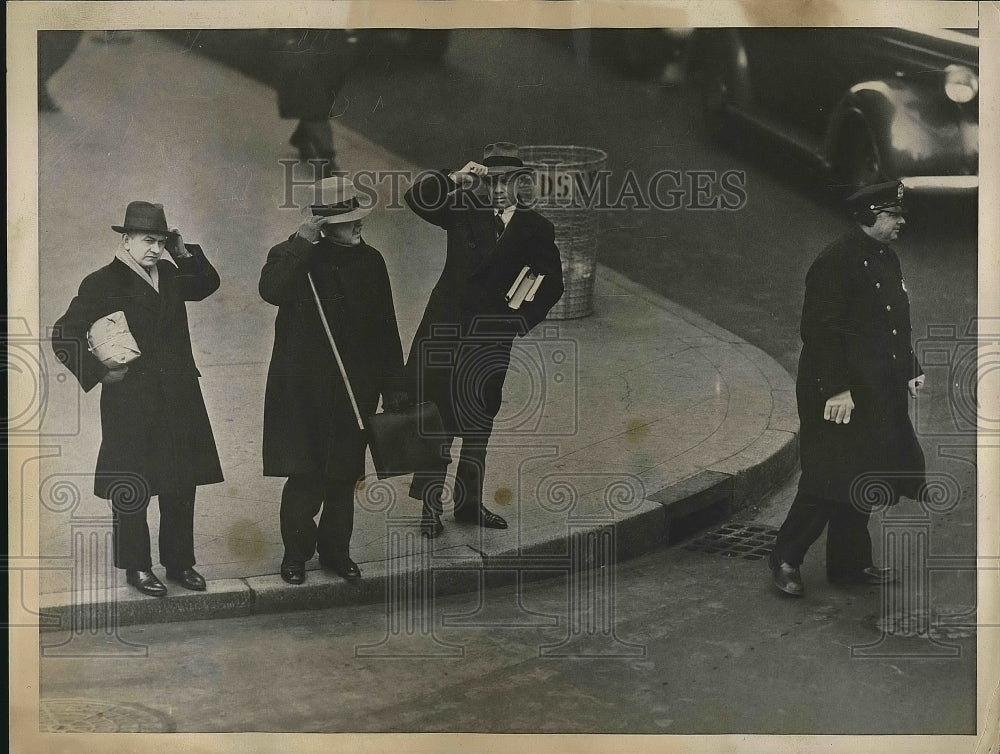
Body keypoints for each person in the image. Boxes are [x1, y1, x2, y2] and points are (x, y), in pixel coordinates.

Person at [51, 201, 223, 597]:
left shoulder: (170, 273)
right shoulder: (102, 281)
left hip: (178, 395)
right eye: (148, 240)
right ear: (125, 240)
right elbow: (64, 333)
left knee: (181, 482)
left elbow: (206, 285)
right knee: (133, 485)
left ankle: (180, 564)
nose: (155, 249)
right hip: (131, 399)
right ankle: (137, 567)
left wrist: (182, 251)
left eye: (161, 242)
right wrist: (99, 372)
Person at [769, 180, 926, 597]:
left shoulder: (885, 258)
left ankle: (849, 564)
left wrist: (909, 366)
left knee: (863, 474)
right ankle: (785, 557)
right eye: (894, 215)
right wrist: (837, 389)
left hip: (874, 387)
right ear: (870, 216)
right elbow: (819, 332)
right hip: (836, 389)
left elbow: (895, 320)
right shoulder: (835, 262)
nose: (901, 222)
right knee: (829, 476)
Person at [403, 142, 565, 538]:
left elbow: (552, 283)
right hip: (445, 330)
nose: (494, 189)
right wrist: (454, 178)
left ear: (520, 184)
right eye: (489, 181)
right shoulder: (461, 208)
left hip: (490, 339)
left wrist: (517, 322)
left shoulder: (535, 228)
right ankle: (430, 508)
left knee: (478, 424)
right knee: (436, 422)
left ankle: (469, 505)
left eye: (503, 182)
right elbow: (416, 197)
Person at [260, 176, 409, 585]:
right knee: (304, 476)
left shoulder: (372, 260)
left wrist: (395, 385)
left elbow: (386, 326)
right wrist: (301, 244)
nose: (358, 225)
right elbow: (271, 289)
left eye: (359, 217)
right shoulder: (293, 256)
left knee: (344, 477)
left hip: (354, 389)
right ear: (324, 225)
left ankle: (336, 553)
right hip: (303, 390)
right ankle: (295, 554)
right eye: (348, 220)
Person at [271, 29, 365, 177]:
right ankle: (327, 160)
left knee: (322, 99)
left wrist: (351, 42)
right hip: (303, 49)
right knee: (314, 103)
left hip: (333, 50)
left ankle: (301, 138)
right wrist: (288, 42)